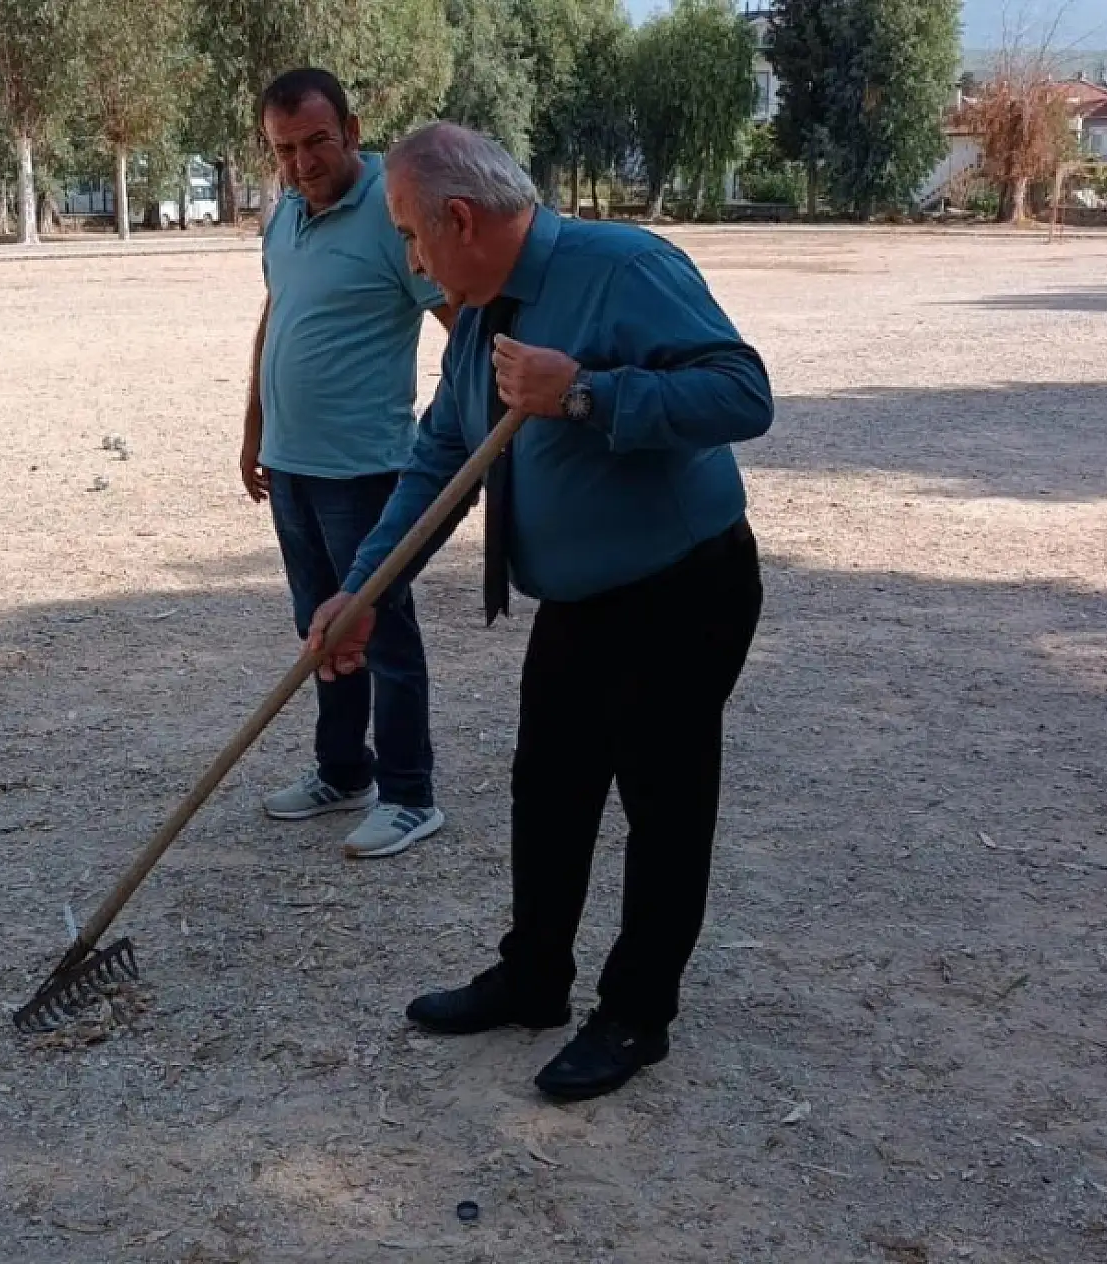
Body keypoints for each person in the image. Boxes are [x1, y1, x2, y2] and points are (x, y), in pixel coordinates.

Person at [308, 122, 773, 1101]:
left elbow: (741, 393)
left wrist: (591, 395)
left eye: (408, 234)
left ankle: (636, 1013)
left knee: (662, 803)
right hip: (577, 599)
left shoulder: (626, 266)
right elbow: (440, 458)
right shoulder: (477, 316)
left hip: (681, 586)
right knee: (548, 788)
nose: (408, 257)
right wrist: (364, 589)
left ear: (460, 219)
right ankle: (533, 980)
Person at [243, 68, 454, 859]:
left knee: (383, 631)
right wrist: (253, 429)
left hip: (366, 469)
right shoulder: (285, 216)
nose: (302, 163)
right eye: (284, 149)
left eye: (317, 142)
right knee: (320, 631)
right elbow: (274, 321)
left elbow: (457, 316)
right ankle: (343, 770)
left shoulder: (393, 214)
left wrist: (460, 424)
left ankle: (409, 793)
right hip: (290, 466)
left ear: (353, 132)